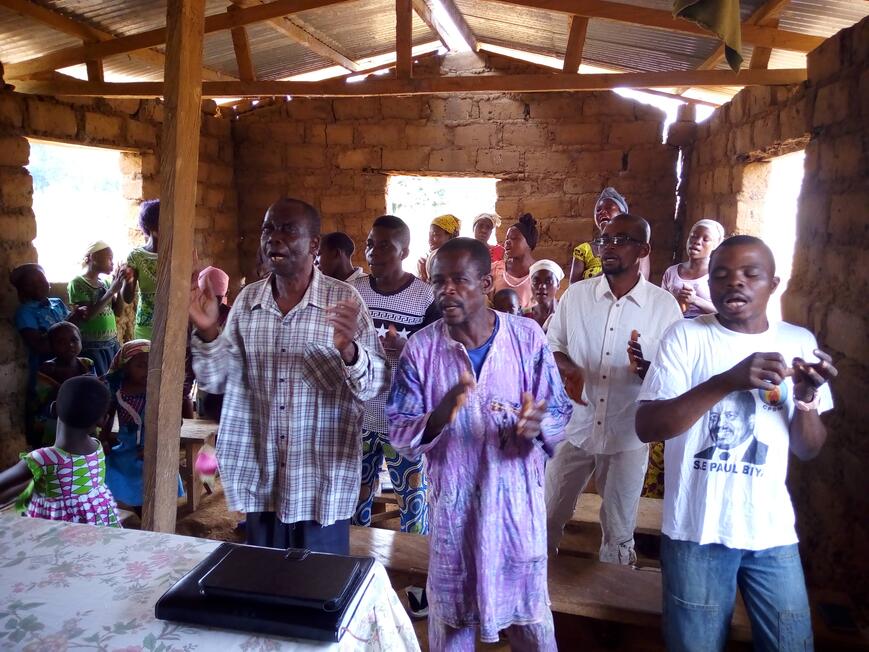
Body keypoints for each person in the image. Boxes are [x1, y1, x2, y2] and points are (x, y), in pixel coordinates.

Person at [636, 235, 836, 651]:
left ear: (773, 284)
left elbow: (808, 448)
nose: (734, 283)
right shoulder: (687, 337)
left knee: (792, 643)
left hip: (771, 532)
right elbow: (648, 426)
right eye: (721, 275)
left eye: (750, 274)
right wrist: (727, 381)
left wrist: (805, 401)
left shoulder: (798, 342)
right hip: (696, 530)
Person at [388, 237, 572, 651]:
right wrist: (441, 412)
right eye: (438, 281)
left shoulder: (526, 339)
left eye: (459, 280)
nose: (446, 290)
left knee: (530, 623)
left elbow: (559, 410)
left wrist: (534, 424)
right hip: (455, 515)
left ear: (486, 283)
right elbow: (400, 431)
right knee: (453, 622)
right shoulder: (422, 349)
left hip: (516, 513)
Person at [189, 197, 388, 554]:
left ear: (314, 245)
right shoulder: (248, 302)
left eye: (287, 230)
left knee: (319, 587)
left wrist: (349, 351)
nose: (273, 238)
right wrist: (207, 332)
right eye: (268, 229)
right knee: (266, 585)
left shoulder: (343, 300)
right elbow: (215, 379)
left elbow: (373, 386)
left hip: (319, 479)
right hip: (261, 476)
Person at [545, 214, 682, 563]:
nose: (608, 247)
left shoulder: (664, 307)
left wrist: (650, 373)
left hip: (628, 435)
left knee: (619, 535)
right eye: (604, 240)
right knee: (545, 518)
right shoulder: (575, 297)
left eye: (620, 240)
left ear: (643, 249)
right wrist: (568, 367)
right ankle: (532, 598)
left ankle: (610, 603)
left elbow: (676, 373)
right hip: (575, 428)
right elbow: (551, 345)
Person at [350, 215, 439, 536]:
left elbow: (441, 359)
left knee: (412, 508)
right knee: (351, 507)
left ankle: (413, 580)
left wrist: (408, 350)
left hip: (405, 421)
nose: (373, 253)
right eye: (370, 245)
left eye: (384, 246)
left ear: (404, 251)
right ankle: (354, 575)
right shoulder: (353, 292)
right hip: (358, 418)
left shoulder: (425, 297)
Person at [0, 376, 121, 527]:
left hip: (56, 534)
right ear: (103, 420)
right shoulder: (96, 448)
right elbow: (64, 483)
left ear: (54, 408)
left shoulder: (42, 458)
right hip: (96, 529)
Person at [102, 339, 183, 512]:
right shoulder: (118, 390)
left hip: (155, 445)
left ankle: (152, 512)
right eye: (140, 365)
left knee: (154, 480)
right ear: (125, 367)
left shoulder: (159, 389)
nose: (147, 370)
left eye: (151, 364)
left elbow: (175, 421)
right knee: (117, 474)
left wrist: (157, 443)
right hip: (127, 447)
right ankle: (136, 510)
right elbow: (109, 415)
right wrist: (103, 439)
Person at [12, 263, 83, 448]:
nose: (38, 286)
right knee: (49, 412)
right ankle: (48, 455)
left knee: (74, 410)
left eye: (41, 280)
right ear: (22, 290)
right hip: (47, 372)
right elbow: (39, 345)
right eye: (30, 284)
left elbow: (69, 330)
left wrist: (75, 318)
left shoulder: (57, 303)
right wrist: (68, 328)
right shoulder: (25, 312)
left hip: (69, 366)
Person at [67, 241, 126, 377]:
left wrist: (120, 286)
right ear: (93, 257)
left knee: (113, 381)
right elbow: (88, 315)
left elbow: (118, 311)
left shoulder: (104, 283)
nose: (112, 262)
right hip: (92, 347)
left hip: (111, 344)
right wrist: (111, 291)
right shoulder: (77, 283)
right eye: (109, 258)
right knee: (98, 381)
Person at [569, 187, 650, 283]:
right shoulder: (583, 250)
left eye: (608, 208)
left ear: (622, 214)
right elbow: (573, 287)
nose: (602, 212)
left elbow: (640, 281)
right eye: (598, 210)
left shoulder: (634, 246)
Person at [34, 322, 96, 445]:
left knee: (84, 448)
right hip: (56, 421)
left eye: (74, 340)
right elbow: (44, 399)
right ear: (51, 346)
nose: (70, 345)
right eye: (61, 342)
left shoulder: (87, 363)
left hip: (84, 418)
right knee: (59, 453)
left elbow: (95, 389)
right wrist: (77, 385)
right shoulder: (47, 369)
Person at [661, 219, 725, 318]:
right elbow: (661, 306)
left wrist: (695, 300)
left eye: (706, 240)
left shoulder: (718, 274)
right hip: (674, 326)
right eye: (693, 236)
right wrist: (677, 301)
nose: (697, 242)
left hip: (705, 329)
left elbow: (725, 312)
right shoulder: (672, 272)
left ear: (715, 245)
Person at [193, 266, 232, 421]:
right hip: (206, 381)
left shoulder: (232, 316)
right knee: (205, 419)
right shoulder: (193, 314)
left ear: (225, 295)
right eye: (206, 296)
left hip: (227, 387)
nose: (212, 302)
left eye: (218, 297)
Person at [122, 199, 159, 340]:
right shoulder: (136, 256)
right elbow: (128, 298)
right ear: (150, 225)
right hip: (146, 326)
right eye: (162, 221)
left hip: (174, 322)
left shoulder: (176, 255)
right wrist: (129, 281)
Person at [491, 213, 538, 311]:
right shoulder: (495, 270)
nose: (507, 242)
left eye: (514, 238)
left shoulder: (540, 272)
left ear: (529, 243)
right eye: (507, 239)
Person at [418, 214, 460, 282]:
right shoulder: (426, 260)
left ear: (451, 236)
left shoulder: (458, 261)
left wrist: (425, 275)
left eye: (435, 234)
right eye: (430, 235)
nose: (430, 240)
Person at [525, 259, 564, 332]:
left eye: (548, 281)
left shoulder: (565, 314)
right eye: (536, 281)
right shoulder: (523, 316)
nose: (542, 286)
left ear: (558, 284)